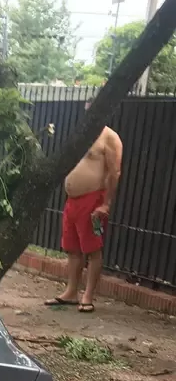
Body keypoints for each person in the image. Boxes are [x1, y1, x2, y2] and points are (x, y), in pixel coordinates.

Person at [45, 109, 122, 313]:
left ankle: (88, 296)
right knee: (72, 248)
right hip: (72, 201)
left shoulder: (110, 137)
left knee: (92, 249)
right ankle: (71, 292)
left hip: (93, 200)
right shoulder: (82, 136)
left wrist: (105, 204)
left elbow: (114, 172)